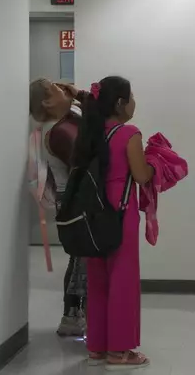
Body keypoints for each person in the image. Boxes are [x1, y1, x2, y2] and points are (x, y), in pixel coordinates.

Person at [72, 76, 153, 370]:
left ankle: (96, 348)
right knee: (123, 280)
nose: (134, 103)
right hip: (120, 211)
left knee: (98, 280)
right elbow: (142, 176)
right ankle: (119, 352)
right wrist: (156, 163)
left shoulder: (90, 132)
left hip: (92, 213)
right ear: (120, 103)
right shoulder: (128, 133)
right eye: (131, 97)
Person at [29, 79, 89, 337]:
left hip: (80, 195)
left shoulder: (71, 116)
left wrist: (81, 98)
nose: (66, 90)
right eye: (58, 90)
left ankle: (76, 314)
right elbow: (85, 161)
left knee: (82, 257)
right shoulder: (60, 131)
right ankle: (72, 315)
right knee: (82, 258)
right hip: (75, 199)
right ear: (47, 102)